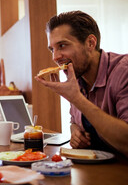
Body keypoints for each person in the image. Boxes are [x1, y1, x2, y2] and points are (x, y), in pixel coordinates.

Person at [35, 10, 128, 157]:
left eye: (63, 45)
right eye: (52, 49)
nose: (55, 57)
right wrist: (75, 132)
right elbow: (75, 121)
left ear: (90, 43)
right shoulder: (77, 76)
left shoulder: (124, 72)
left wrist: (76, 98)